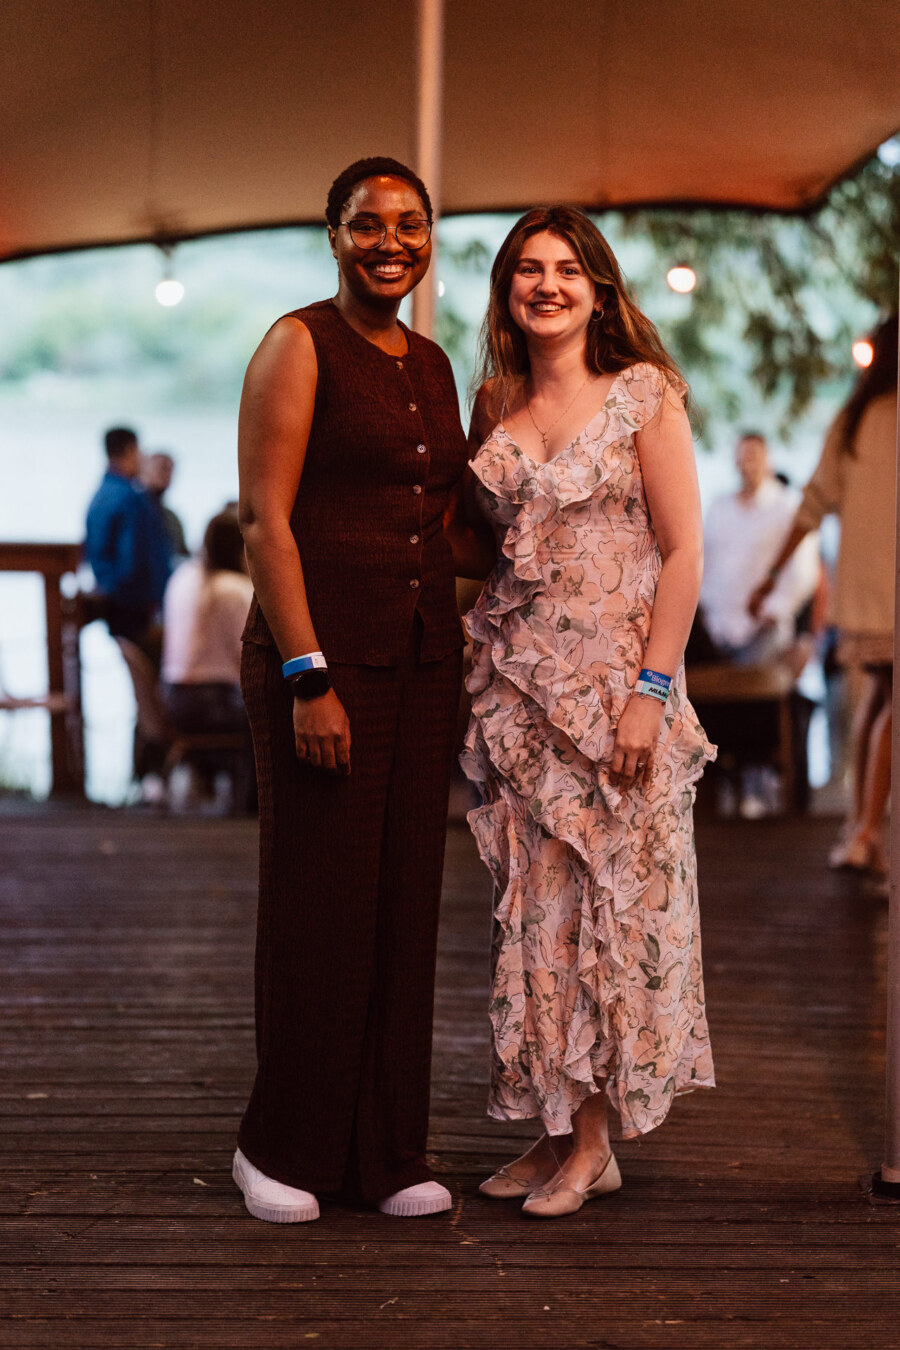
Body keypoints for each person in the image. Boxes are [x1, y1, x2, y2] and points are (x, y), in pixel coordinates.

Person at [459, 207, 715, 1218]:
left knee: (609, 910)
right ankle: (557, 1126)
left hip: (617, 692)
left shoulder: (644, 395)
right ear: (509, 290)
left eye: (568, 269)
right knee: (534, 912)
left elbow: (685, 551)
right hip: (520, 691)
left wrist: (651, 694)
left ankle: (595, 1142)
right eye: (529, 269)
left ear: (600, 290)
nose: (547, 285)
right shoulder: (493, 397)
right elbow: (483, 545)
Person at [232, 158, 472, 1224]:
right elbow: (264, 522)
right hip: (320, 669)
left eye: (409, 225)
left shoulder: (433, 361)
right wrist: (306, 676)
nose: (390, 242)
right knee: (320, 900)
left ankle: (387, 1152)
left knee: (402, 909)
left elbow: (446, 518)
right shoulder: (298, 343)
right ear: (332, 234)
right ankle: (275, 1145)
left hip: (424, 669)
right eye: (367, 224)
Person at [750, 315, 898, 876]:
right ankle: (863, 831)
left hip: (865, 588)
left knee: (880, 702)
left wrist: (770, 574)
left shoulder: (856, 416)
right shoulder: (876, 416)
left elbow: (812, 503)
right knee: (890, 703)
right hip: (887, 585)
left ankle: (858, 828)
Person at [696, 431, 819, 663]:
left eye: (753, 455)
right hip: (716, 628)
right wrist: (704, 610)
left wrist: (775, 610)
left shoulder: (786, 507)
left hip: (764, 630)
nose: (747, 463)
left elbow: (803, 572)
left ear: (767, 459)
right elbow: (703, 562)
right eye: (742, 456)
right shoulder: (718, 507)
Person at [160, 510, 254, 809]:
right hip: (212, 704)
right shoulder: (235, 590)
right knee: (274, 710)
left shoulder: (182, 578)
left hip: (172, 698)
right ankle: (254, 805)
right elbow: (249, 659)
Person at [84, 426, 173, 664]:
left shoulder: (99, 495)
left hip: (112, 604)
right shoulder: (131, 498)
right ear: (130, 450)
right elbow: (136, 558)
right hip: (134, 607)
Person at [141, 451, 189, 559]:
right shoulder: (131, 508)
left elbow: (182, 553)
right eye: (161, 468)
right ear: (144, 470)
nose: (166, 475)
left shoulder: (171, 518)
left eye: (169, 470)